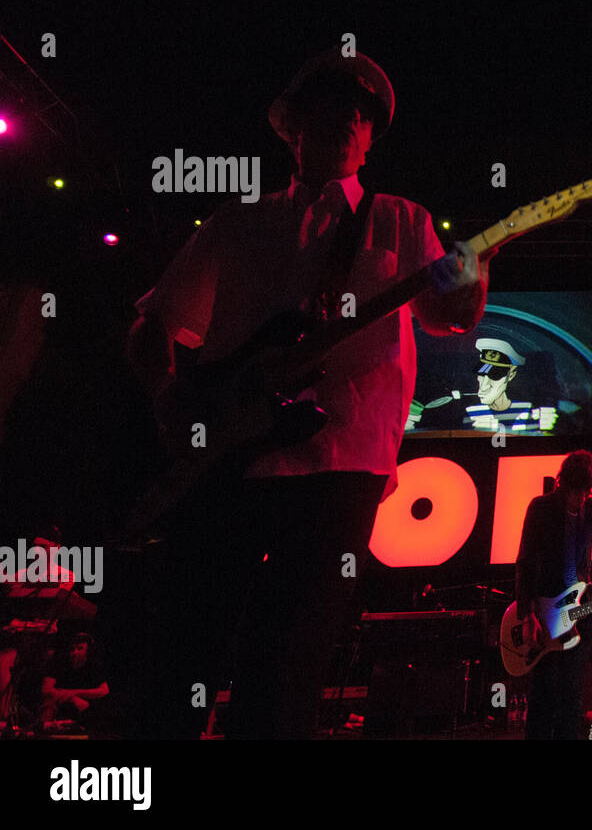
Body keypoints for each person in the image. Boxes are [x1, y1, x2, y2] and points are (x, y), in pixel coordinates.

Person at [125, 50, 488, 738]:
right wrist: (169, 399)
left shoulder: (404, 220)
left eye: (362, 115)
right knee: (182, 653)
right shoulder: (238, 223)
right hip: (229, 464)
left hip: (343, 465)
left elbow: (451, 317)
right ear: (292, 127)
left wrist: (473, 278)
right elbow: (155, 323)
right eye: (331, 106)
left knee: (286, 667)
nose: (348, 120)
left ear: (370, 135)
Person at [515, 450, 592, 739]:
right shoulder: (540, 508)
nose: (578, 499)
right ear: (562, 484)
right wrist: (527, 613)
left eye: (584, 493)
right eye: (574, 491)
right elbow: (526, 561)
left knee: (572, 697)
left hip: (580, 615)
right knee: (542, 696)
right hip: (543, 610)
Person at [40, 633, 109, 730]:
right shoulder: (59, 663)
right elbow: (46, 690)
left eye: (80, 648)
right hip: (60, 706)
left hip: (86, 710)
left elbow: (104, 691)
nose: (75, 652)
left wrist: (73, 693)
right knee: (48, 701)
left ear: (89, 651)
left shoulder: (93, 666)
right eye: (72, 649)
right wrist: (73, 698)